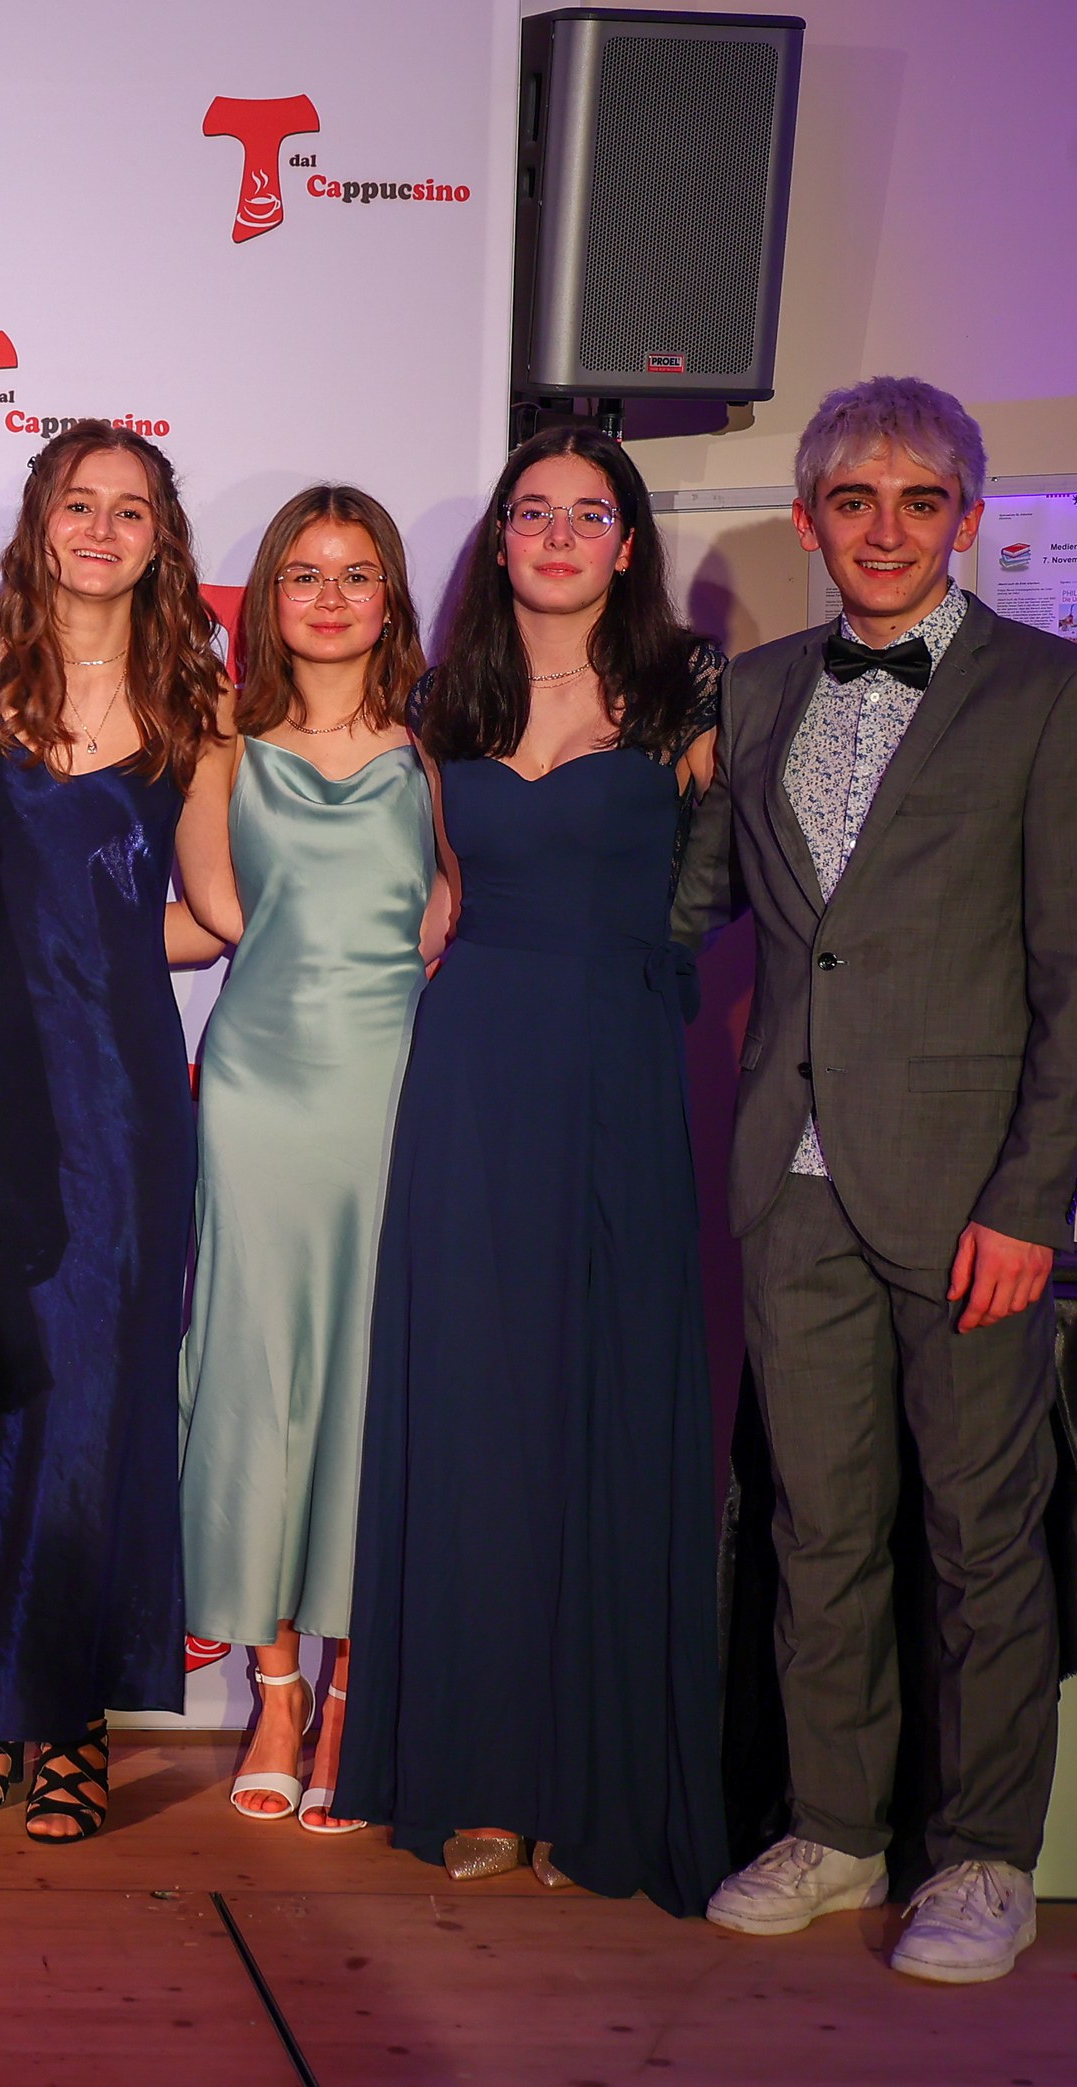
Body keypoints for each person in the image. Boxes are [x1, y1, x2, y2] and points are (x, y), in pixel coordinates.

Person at [677, 378, 1077, 1982]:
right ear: (810, 521)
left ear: (967, 519)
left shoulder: (1059, 697)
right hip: (790, 1181)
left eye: (919, 500)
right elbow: (690, 911)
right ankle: (835, 1828)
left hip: (965, 1197)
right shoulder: (753, 693)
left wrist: (1030, 1200)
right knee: (816, 1528)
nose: (885, 530)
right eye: (854, 500)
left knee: (979, 1538)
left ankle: (985, 1854)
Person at [333, 429, 726, 1909]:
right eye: (533, 512)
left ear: (627, 545)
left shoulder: (690, 695)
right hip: (473, 1074)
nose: (558, 536)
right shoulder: (445, 700)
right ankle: (483, 1776)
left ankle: (597, 1787)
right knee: (478, 1416)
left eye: (589, 514)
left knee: (606, 1412)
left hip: (615, 1068)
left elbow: (727, 884)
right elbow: (442, 885)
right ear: (500, 539)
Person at [0, 422, 227, 1842]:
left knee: (100, 1395)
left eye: (130, 510)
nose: (101, 529)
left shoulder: (194, 702)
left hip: (119, 1092)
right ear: (40, 522)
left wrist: (102, 945)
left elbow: (212, 913)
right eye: (78, 504)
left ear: (161, 540)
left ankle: (74, 1722)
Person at [175, 484, 443, 1837]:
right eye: (303, 575)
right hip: (258, 1095)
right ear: (268, 600)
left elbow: (457, 918)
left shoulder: (441, 746)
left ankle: (353, 1695)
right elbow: (211, 914)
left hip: (397, 1092)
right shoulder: (220, 742)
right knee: (257, 1385)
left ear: (390, 598)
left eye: (355, 574)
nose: (329, 599)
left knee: (368, 1389)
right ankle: (276, 1690)